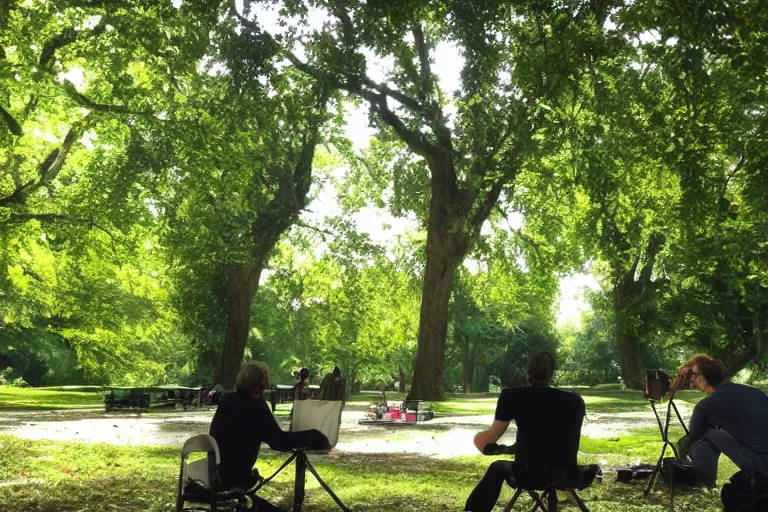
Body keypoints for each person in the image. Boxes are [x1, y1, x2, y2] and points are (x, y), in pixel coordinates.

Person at [464, 352, 586, 512]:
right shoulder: (574, 400)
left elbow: (488, 440)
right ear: (552, 373)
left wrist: (479, 440)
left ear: (527, 372)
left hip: (528, 473)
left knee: (497, 467)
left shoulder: (512, 396)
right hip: (566, 473)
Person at [209, 362, 329, 512]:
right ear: (261, 385)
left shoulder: (226, 400)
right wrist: (315, 436)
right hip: (237, 477)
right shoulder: (256, 405)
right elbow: (279, 441)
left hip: (215, 473)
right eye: (263, 384)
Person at [673, 353, 768, 488]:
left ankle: (702, 480)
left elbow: (694, 438)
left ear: (705, 377)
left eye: (694, 374)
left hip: (763, 465)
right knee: (712, 433)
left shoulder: (706, 406)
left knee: (707, 434)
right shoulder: (754, 392)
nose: (692, 379)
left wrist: (681, 453)